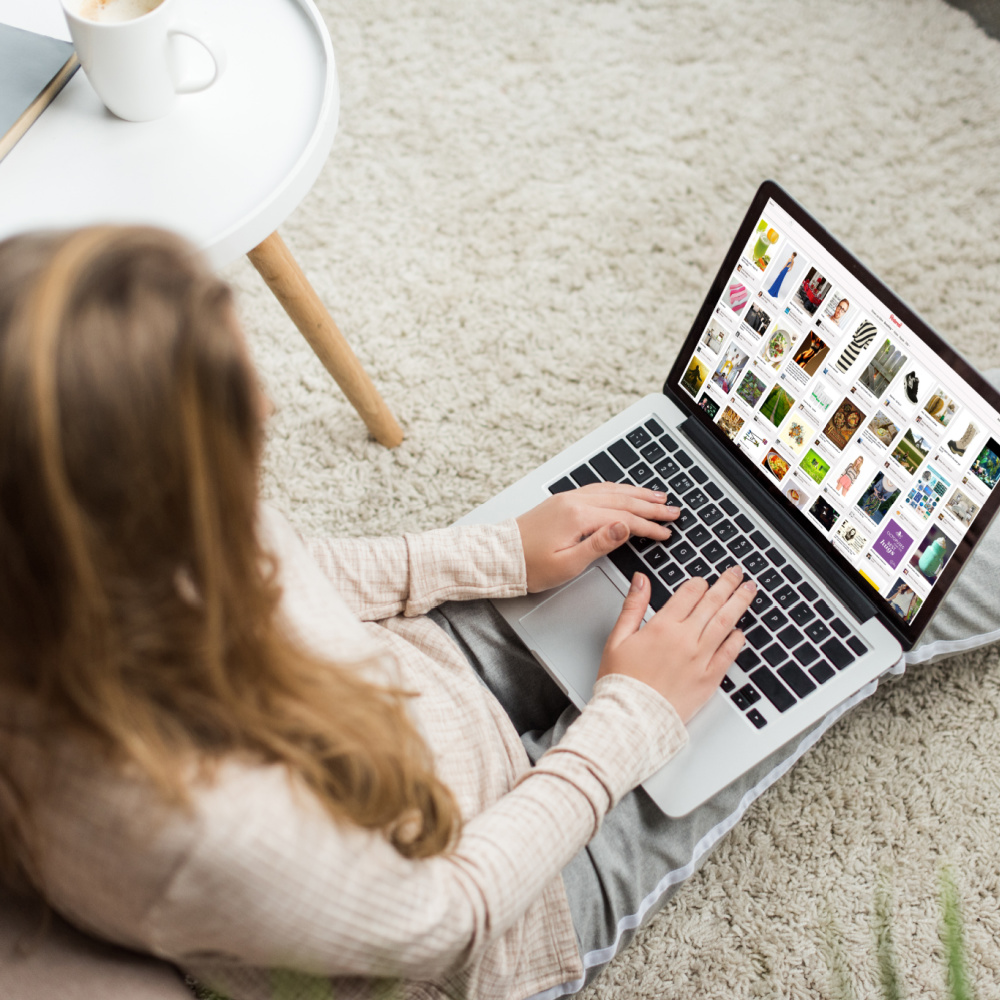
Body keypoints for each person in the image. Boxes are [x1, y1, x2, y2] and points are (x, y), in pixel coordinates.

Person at [0, 227, 998, 1000]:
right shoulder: (206, 830)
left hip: (406, 687)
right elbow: (451, 913)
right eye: (233, 391)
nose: (263, 400)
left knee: (686, 546)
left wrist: (492, 554)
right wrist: (629, 721)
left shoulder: (66, 532)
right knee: (835, 630)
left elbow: (284, 575)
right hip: (505, 907)